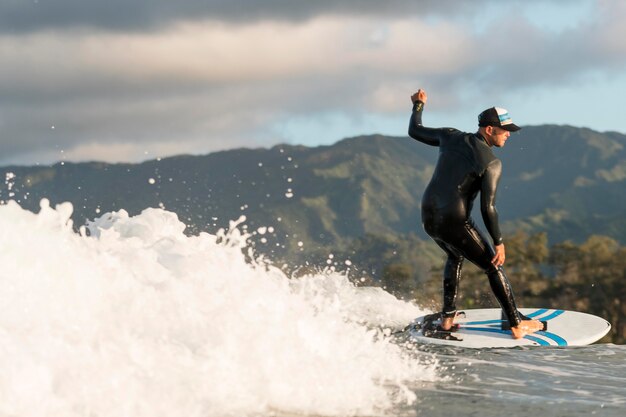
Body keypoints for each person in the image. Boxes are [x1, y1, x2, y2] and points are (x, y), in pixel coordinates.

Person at [408, 89, 544, 339]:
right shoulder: (491, 163)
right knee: (493, 266)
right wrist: (499, 242)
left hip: (429, 215)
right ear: (489, 129)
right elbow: (487, 207)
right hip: (454, 220)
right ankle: (516, 324)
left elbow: (415, 131)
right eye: (505, 130)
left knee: (455, 254)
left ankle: (447, 318)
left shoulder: (450, 137)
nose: (508, 135)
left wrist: (418, 105)